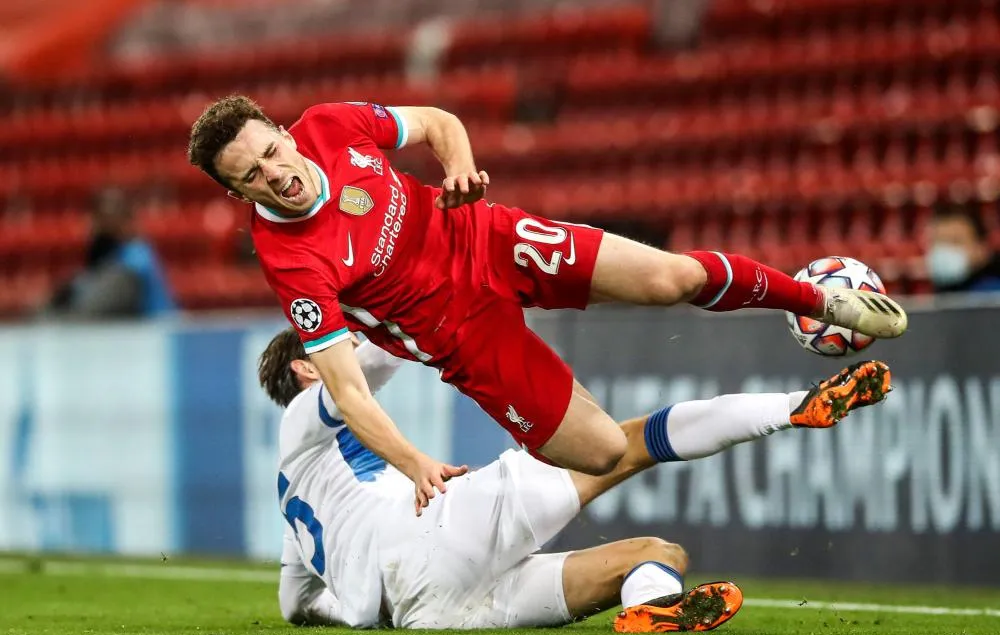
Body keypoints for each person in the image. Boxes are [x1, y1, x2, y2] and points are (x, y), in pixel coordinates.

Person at [187, 97, 907, 512]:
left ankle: (821, 298)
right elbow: (346, 388)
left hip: (489, 236)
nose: (276, 173)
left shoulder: (332, 124)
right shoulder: (288, 261)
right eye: (252, 175)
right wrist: (415, 463)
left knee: (670, 279)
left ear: (283, 129)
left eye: (273, 150)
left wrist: (461, 169)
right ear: (236, 191)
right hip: (463, 337)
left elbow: (438, 122)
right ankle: (762, 410)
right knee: (599, 452)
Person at [259, 327, 893, 631]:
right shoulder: (303, 409)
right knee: (625, 444)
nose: (335, 347)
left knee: (656, 555)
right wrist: (406, 298)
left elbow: (295, 605)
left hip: (427, 609)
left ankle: (650, 613)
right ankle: (792, 407)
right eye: (322, 347)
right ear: (306, 372)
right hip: (430, 536)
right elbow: (383, 350)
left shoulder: (295, 493)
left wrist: (362, 603)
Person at [41, 187, 176, 319]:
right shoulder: (109, 259)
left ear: (126, 221)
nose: (93, 229)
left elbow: (88, 312)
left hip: (152, 335)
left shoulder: (134, 263)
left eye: (105, 221)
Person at [926, 202, 1000, 293]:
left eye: (955, 242)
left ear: (981, 249)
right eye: (940, 242)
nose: (946, 250)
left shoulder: (993, 294)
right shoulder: (926, 298)